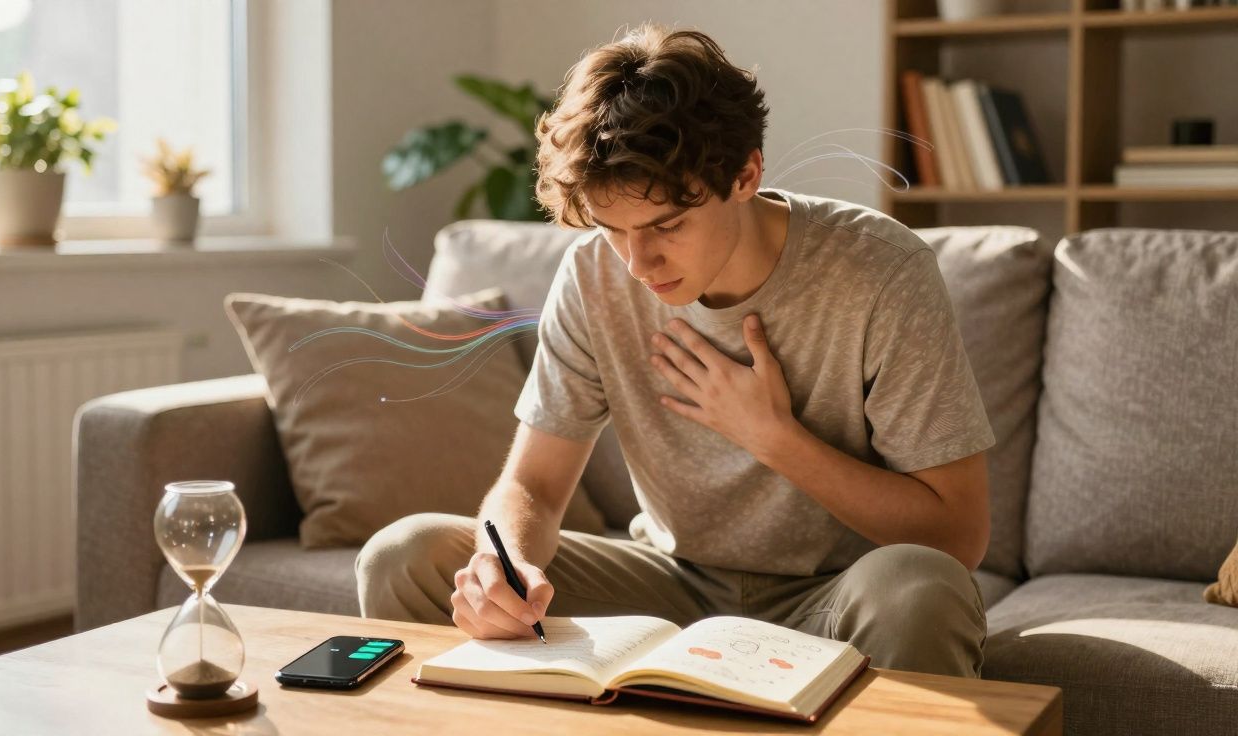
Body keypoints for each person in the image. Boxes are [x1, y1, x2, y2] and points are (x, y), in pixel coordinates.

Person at [356, 22, 995, 678]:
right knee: (406, 556)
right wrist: (506, 563)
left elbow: (958, 536)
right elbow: (535, 486)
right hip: (671, 585)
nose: (638, 263)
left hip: (836, 594)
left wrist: (774, 438)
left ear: (746, 173)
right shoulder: (592, 275)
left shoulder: (880, 271)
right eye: (612, 230)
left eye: (668, 225)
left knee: (920, 588)